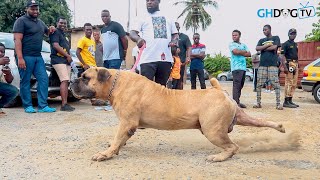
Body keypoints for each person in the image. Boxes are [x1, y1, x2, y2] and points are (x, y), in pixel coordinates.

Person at [13, 0, 56, 113]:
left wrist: (51, 28)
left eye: (36, 8)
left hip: (37, 56)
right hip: (25, 56)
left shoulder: (40, 22)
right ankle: (27, 106)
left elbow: (47, 32)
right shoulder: (21, 21)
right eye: (32, 8)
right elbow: (17, 40)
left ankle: (43, 106)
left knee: (43, 79)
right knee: (26, 80)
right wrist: (20, 58)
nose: (35, 10)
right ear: (27, 9)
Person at [129, 0, 179, 86]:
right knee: (146, 89)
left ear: (159, 1)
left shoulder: (168, 17)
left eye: (152, 0)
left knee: (161, 89)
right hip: (147, 60)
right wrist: (138, 39)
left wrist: (174, 40)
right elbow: (132, 33)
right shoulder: (142, 17)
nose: (149, 2)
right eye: (147, 0)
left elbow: (175, 34)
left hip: (165, 59)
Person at [254, 24, 283, 110]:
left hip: (272, 65)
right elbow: (257, 48)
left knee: (276, 84)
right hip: (262, 65)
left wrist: (262, 48)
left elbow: (275, 47)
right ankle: (258, 103)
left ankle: (278, 104)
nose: (264, 31)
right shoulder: (261, 40)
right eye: (263, 30)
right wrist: (267, 46)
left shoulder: (276, 38)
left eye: (266, 30)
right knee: (259, 84)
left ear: (270, 29)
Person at [49, 17, 75, 112]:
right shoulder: (55, 32)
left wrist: (69, 58)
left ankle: (66, 103)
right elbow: (55, 46)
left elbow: (66, 47)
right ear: (57, 23)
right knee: (64, 80)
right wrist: (67, 56)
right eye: (61, 23)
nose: (63, 25)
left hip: (65, 61)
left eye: (65, 23)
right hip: (58, 60)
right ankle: (64, 104)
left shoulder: (64, 34)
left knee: (66, 81)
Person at [229, 30, 251, 108]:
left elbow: (249, 54)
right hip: (236, 67)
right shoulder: (232, 44)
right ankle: (235, 103)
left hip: (243, 68)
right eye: (233, 35)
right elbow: (235, 52)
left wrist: (240, 52)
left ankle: (237, 101)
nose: (234, 36)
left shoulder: (243, 45)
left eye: (236, 35)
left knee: (241, 85)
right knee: (236, 85)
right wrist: (243, 52)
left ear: (239, 36)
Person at [281, 28, 299, 108]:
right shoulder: (285, 44)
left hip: (295, 63)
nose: (293, 35)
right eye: (291, 33)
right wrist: (285, 67)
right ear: (288, 34)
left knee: (294, 83)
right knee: (289, 82)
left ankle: (290, 100)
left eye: (294, 33)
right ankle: (286, 101)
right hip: (289, 63)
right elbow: (281, 56)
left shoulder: (295, 44)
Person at [0, 43, 19, 115]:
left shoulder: (4, 63)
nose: (0, 53)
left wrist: (8, 73)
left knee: (13, 91)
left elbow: (9, 81)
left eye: (2, 52)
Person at [175, 22, 191, 90]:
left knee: (179, 80)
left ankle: (179, 95)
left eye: (177, 27)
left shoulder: (184, 37)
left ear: (179, 28)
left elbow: (189, 47)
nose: (175, 28)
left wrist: (188, 57)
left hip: (181, 63)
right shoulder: (168, 36)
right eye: (174, 27)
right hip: (170, 62)